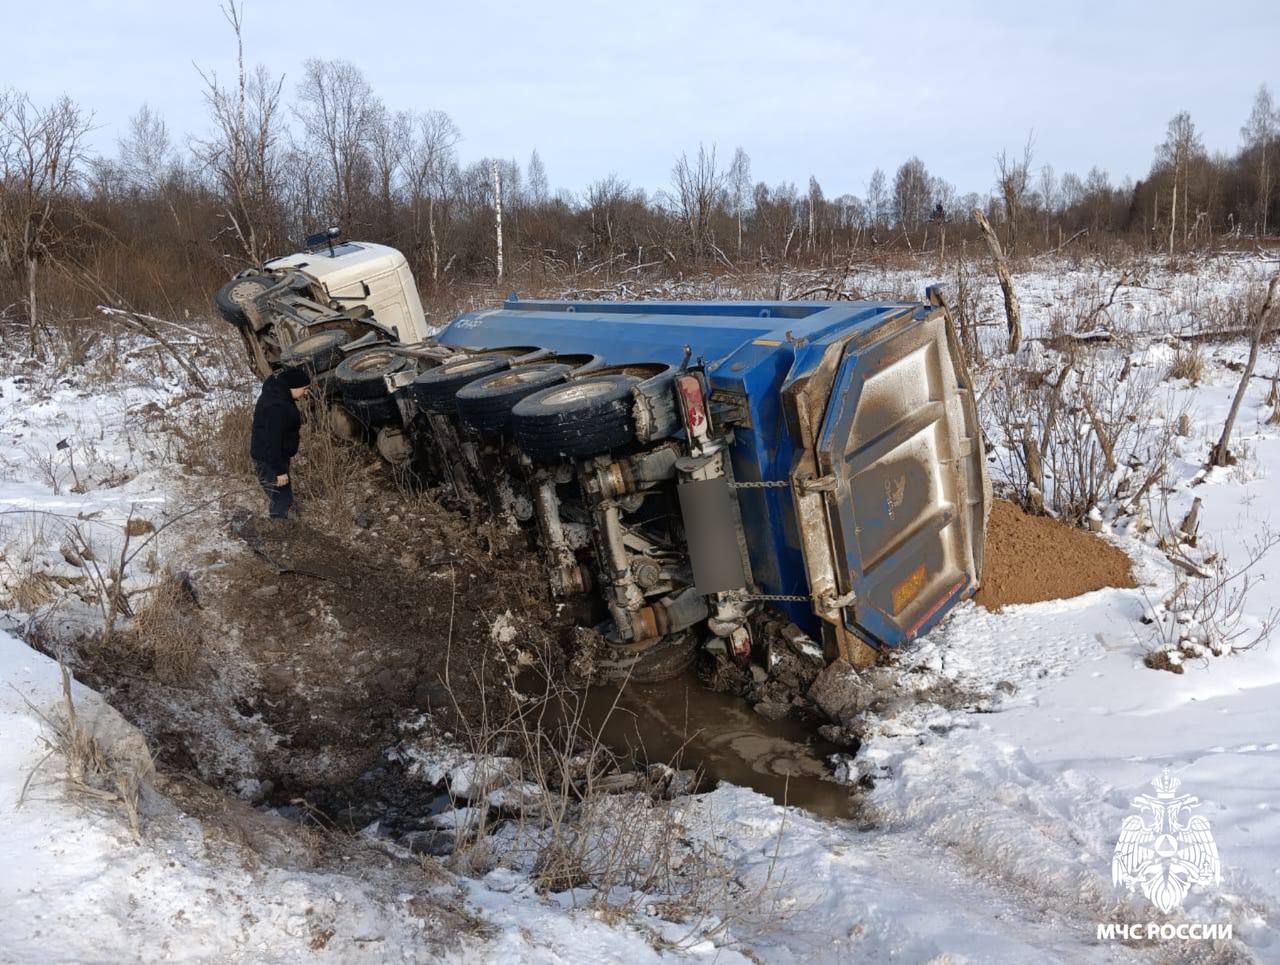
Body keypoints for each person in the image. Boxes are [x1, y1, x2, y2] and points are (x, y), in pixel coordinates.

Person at [249, 366, 310, 520]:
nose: (306, 392)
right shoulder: (276, 406)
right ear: (293, 386)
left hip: (273, 457)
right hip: (270, 459)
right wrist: (279, 470)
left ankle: (282, 528)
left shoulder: (278, 395)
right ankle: (280, 534)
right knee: (281, 499)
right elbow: (272, 440)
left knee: (280, 497)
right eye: (305, 388)